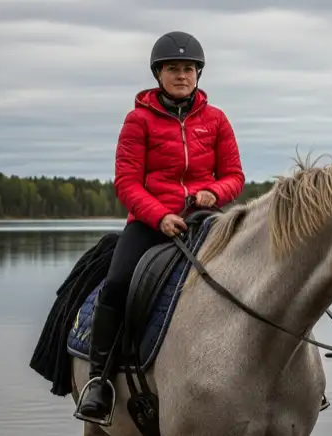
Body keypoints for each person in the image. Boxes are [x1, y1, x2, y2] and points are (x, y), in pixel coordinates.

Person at [74, 30, 246, 423]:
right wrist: (159, 216)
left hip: (206, 221)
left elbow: (234, 176)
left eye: (188, 69)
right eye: (173, 69)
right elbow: (127, 183)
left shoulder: (217, 120)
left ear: (198, 74)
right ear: (159, 74)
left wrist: (212, 193)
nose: (181, 75)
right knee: (117, 284)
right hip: (152, 223)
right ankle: (99, 381)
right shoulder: (138, 121)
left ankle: (285, 376)